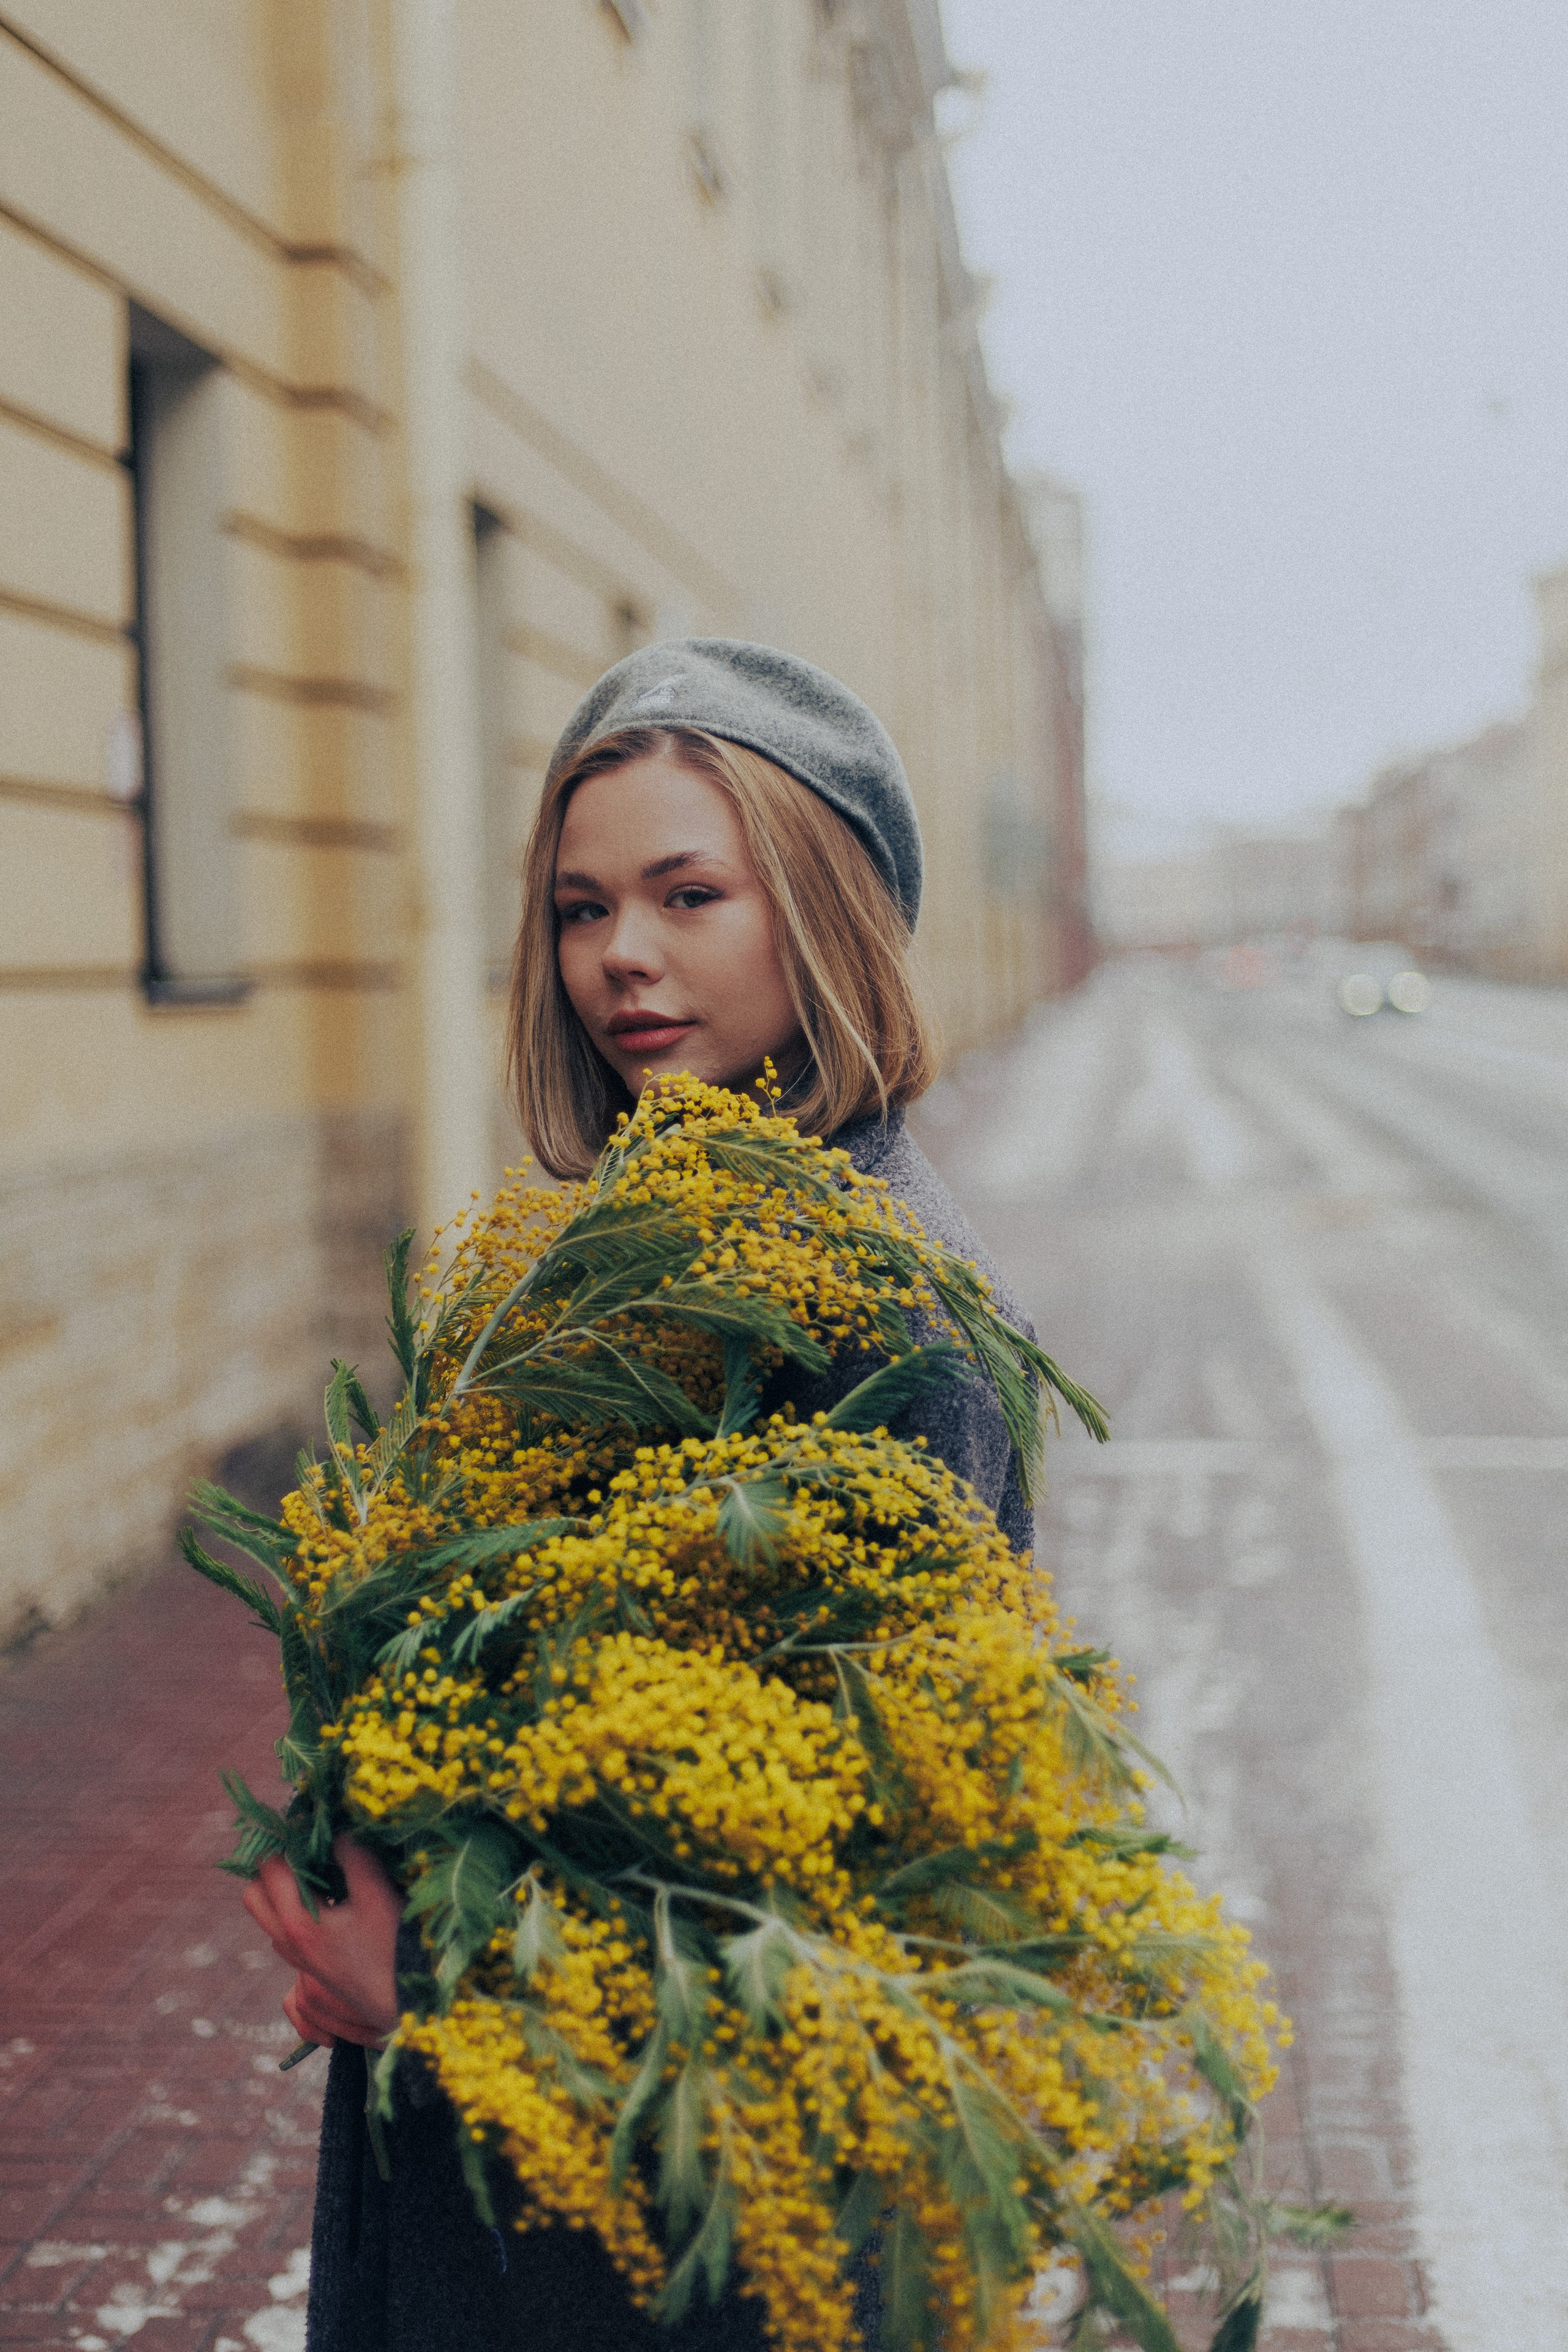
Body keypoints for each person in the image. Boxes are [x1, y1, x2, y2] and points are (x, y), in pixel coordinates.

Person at [242, 641, 1037, 2350]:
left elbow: (850, 1899)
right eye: (579, 906)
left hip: (675, 2232)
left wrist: (434, 1992)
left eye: (690, 894)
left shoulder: (882, 1310)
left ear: (821, 913)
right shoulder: (615, 1246)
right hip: (507, 2170)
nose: (622, 956)